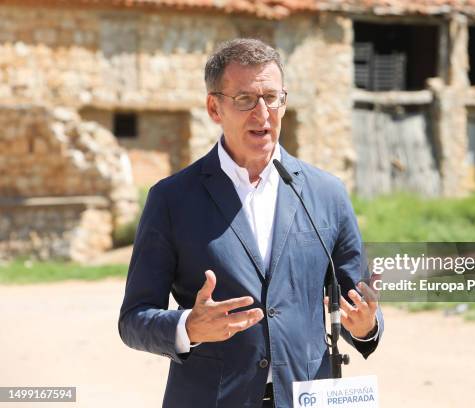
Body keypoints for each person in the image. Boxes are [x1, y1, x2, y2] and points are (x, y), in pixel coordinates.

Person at [118, 38, 383, 408]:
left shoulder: (328, 193)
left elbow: (360, 306)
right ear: (214, 107)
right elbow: (133, 320)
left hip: (308, 398)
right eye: (245, 99)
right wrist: (188, 328)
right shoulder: (171, 199)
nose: (263, 113)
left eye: (272, 98)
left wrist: (367, 326)